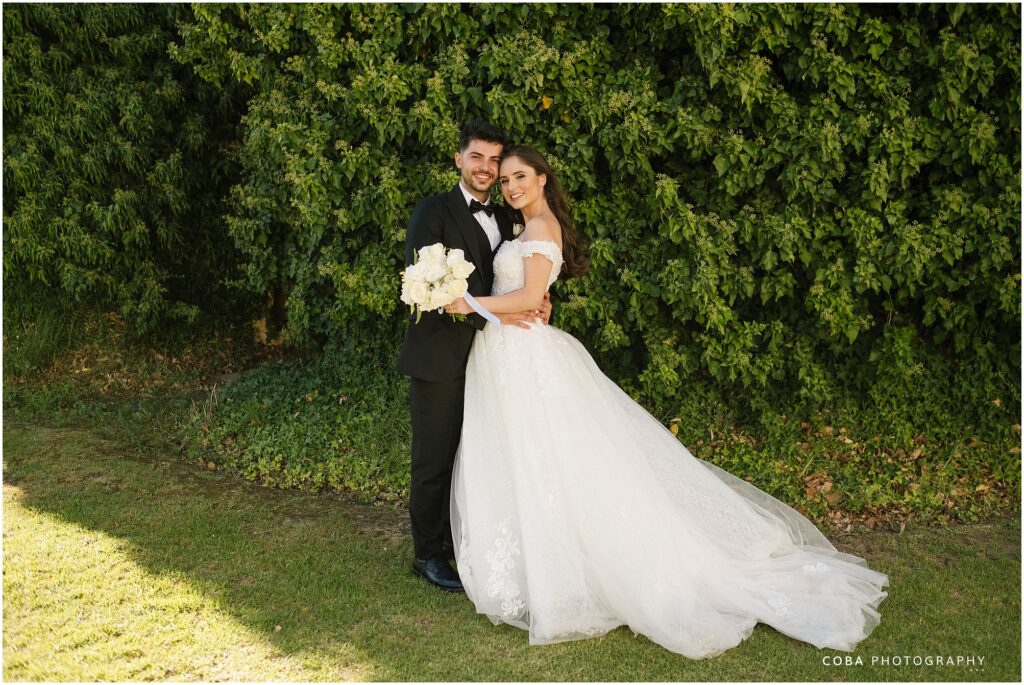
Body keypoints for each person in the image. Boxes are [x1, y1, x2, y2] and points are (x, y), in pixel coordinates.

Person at [444, 146, 889, 659]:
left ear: (543, 178)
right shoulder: (524, 229)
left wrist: (467, 302)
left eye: (521, 176)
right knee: (523, 459)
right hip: (505, 357)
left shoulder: (542, 229)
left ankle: (574, 571)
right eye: (504, 181)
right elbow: (529, 295)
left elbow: (526, 299)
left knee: (552, 463)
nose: (511, 187)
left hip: (525, 359)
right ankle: (532, 566)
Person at [397, 122, 552, 592]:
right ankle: (428, 555)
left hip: (496, 360)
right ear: (459, 160)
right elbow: (427, 281)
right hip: (441, 355)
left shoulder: (510, 217)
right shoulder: (434, 211)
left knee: (484, 456)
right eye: (477, 158)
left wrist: (540, 300)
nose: (486, 169)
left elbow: (526, 273)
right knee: (435, 457)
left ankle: (470, 545)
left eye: (494, 161)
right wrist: (495, 309)